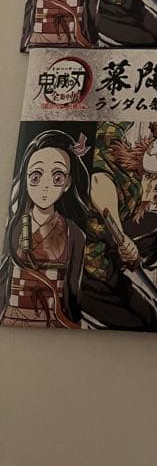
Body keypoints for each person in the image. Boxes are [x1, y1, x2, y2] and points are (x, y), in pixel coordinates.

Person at [82, 121, 157, 332]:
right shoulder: (132, 187)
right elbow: (98, 183)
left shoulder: (112, 135)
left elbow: (112, 123)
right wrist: (121, 238)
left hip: (105, 253)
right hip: (89, 271)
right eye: (156, 184)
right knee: (150, 320)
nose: (151, 196)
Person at [0, 129, 91, 329]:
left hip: (56, 320)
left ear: (68, 183)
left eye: (57, 177)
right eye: (35, 176)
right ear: (25, 178)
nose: (45, 186)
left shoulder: (75, 234)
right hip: (12, 318)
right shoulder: (13, 226)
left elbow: (73, 291)